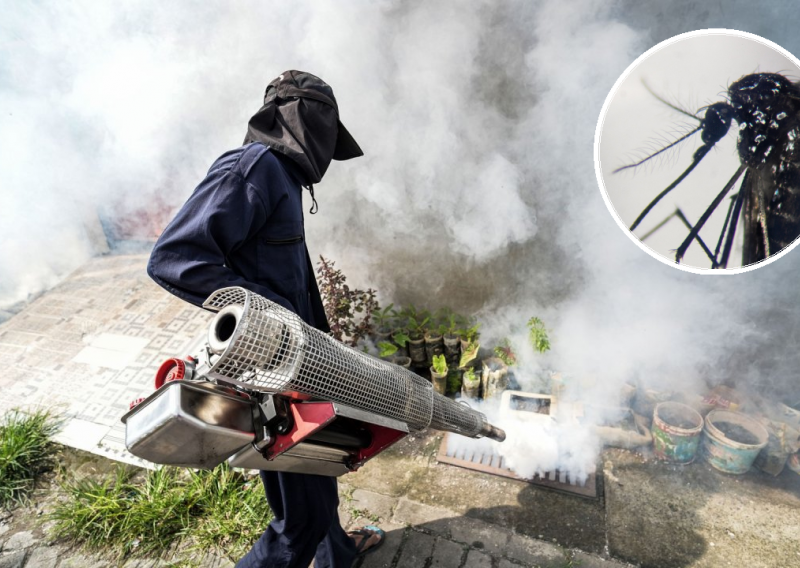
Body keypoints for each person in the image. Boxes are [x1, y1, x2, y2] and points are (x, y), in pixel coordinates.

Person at [147, 70, 384, 568]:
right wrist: (269, 320)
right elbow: (176, 258)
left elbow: (286, 275)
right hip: (270, 373)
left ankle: (337, 555)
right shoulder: (253, 168)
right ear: (301, 120)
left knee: (318, 469)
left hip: (301, 364)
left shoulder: (284, 179)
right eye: (325, 132)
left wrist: (321, 336)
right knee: (298, 521)